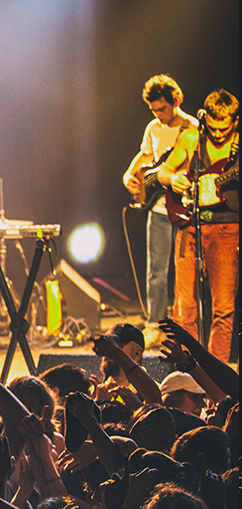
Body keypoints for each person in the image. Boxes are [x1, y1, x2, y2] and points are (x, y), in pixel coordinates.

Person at [157, 89, 239, 364]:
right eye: (213, 128)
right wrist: (172, 180)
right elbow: (164, 172)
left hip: (227, 228)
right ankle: (187, 370)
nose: (217, 133)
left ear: (235, 122)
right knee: (185, 307)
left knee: (223, 308)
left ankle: (217, 374)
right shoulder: (193, 138)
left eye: (223, 128)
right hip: (190, 226)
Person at [121, 75, 199, 348]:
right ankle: (154, 324)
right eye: (154, 110)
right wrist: (129, 175)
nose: (158, 115)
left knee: (184, 272)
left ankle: (183, 325)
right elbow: (144, 157)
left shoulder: (193, 128)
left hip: (185, 210)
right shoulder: (153, 128)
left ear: (176, 101)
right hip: (157, 208)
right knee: (156, 270)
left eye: (162, 109)